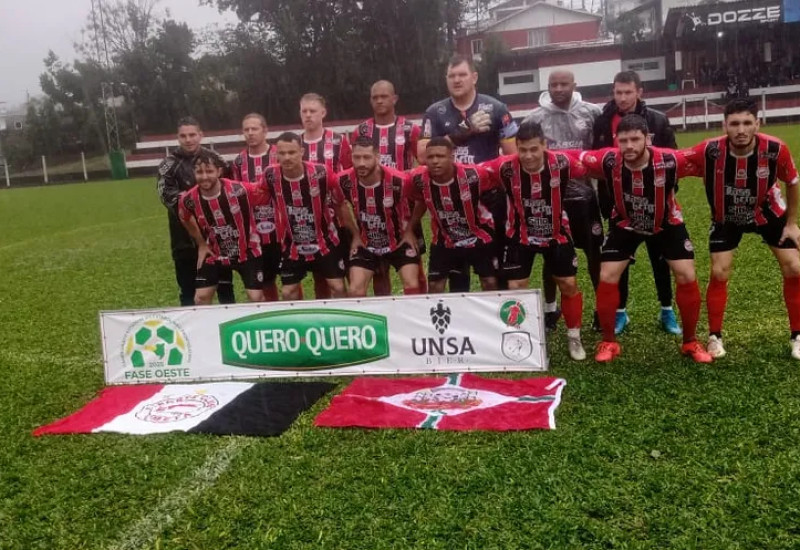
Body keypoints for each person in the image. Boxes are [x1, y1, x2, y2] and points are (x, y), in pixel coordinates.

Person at [578, 114, 711, 364]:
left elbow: (707, 157)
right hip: (626, 225)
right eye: (623, 140)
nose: (629, 146)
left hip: (666, 224)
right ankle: (608, 341)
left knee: (686, 275)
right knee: (607, 275)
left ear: (647, 139)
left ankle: (690, 341)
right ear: (616, 140)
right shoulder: (608, 159)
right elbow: (574, 157)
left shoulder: (670, 160)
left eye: (635, 139)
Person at [681, 98, 800, 360]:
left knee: (794, 267)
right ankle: (715, 336)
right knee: (719, 271)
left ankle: (797, 335)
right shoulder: (710, 150)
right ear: (725, 125)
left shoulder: (775, 149)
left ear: (757, 123)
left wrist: (791, 224)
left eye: (747, 122)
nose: (741, 129)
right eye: (734, 123)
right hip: (727, 216)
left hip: (767, 211)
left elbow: (792, 181)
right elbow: (674, 161)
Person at [485, 121, 587, 361]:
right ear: (516, 147)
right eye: (522, 149)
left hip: (556, 233)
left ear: (544, 145)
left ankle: (574, 336)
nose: (528, 155)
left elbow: (592, 167)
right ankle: (523, 337)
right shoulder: (504, 168)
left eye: (533, 149)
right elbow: (473, 173)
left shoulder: (563, 163)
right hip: (520, 235)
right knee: (516, 286)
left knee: (568, 283)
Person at [419, 54, 518, 291]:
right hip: (450, 197)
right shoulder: (435, 111)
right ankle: (459, 321)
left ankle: (497, 319)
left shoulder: (496, 108)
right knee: (456, 268)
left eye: (462, 74)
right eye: (451, 76)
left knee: (494, 268)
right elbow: (423, 153)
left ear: (474, 77)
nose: (457, 80)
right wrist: (462, 131)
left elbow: (512, 155)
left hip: (488, 196)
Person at [593, 71, 680, 336]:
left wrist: (667, 193)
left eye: (628, 92)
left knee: (660, 258)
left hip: (656, 205)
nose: (622, 97)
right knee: (619, 260)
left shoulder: (657, 120)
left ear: (639, 92)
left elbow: (675, 161)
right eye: (618, 92)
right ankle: (620, 313)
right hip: (619, 204)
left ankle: (666, 310)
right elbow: (597, 162)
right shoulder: (602, 121)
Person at [524, 70, 602, 331]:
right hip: (550, 198)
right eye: (553, 84)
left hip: (585, 196)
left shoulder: (591, 113)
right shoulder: (536, 117)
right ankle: (549, 309)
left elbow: (602, 150)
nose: (558, 88)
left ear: (574, 85)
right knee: (551, 255)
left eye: (563, 84)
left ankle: (600, 309)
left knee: (594, 253)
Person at [261, 132, 361, 300]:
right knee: (288, 292)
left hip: (325, 241)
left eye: (291, 152)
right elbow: (256, 195)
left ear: (301, 152)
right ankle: (298, 324)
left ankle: (340, 321)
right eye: (282, 153)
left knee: (337, 286)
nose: (286, 157)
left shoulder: (321, 172)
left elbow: (340, 204)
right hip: (293, 244)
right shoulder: (270, 175)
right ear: (276, 154)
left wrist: (355, 235)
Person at [352, 80, 426, 294]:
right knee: (379, 271)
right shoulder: (361, 131)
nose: (379, 101)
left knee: (414, 264)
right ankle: (384, 314)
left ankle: (417, 313)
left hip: (404, 208)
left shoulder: (411, 129)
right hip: (371, 208)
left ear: (394, 99)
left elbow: (421, 164)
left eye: (384, 96)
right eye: (375, 97)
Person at [156, 116, 235, 306]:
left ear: (201, 135)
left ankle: (226, 332)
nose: (188, 139)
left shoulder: (216, 160)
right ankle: (194, 334)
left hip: (219, 238)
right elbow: (171, 200)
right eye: (183, 136)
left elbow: (231, 191)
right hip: (184, 239)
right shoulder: (168, 165)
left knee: (225, 289)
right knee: (188, 292)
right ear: (178, 137)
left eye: (192, 134)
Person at [405, 137, 501, 293]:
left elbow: (502, 181)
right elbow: (419, 199)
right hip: (445, 239)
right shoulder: (417, 179)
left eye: (441, 156)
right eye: (430, 157)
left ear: (451, 157)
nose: (435, 161)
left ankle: (490, 316)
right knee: (436, 286)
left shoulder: (475, 175)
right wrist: (409, 229)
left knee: (490, 282)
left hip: (480, 236)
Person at [177, 149, 264, 304]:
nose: (204, 177)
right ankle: (206, 328)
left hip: (247, 251)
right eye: (199, 172)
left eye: (209, 171)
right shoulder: (188, 199)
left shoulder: (240, 190)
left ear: (219, 171)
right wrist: (201, 243)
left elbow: (267, 193)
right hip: (215, 252)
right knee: (201, 298)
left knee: (256, 298)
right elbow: (184, 217)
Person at [338, 137, 421, 297]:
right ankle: (364, 321)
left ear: (377, 157)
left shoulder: (399, 180)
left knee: (412, 285)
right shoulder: (343, 180)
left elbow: (421, 200)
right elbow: (340, 204)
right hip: (366, 241)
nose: (361, 163)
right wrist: (355, 234)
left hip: (399, 240)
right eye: (356, 157)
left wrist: (410, 229)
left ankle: (410, 320)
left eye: (367, 157)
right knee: (355, 289)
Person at [299, 92, 353, 299]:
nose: (308, 115)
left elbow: (349, 176)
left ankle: (350, 313)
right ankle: (323, 318)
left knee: (346, 270)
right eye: (304, 111)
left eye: (312, 111)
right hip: (310, 221)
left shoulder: (339, 141)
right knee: (321, 276)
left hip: (338, 217)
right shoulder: (294, 145)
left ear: (323, 112)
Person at [231, 113, 280, 302]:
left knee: (290, 281)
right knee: (266, 281)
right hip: (254, 232)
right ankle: (273, 318)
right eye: (246, 129)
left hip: (281, 231)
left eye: (255, 129)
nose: (250, 133)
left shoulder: (279, 154)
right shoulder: (239, 162)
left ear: (265, 131)